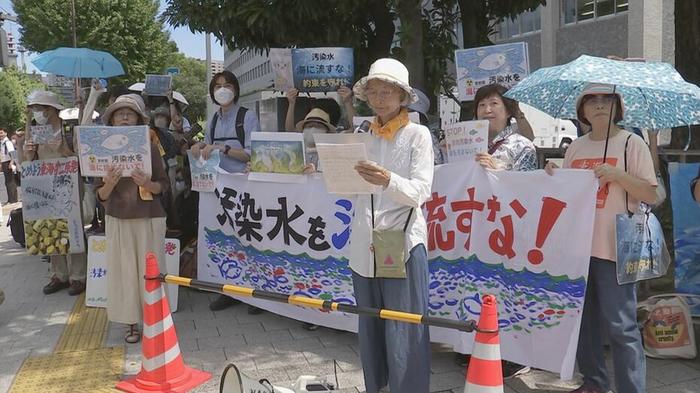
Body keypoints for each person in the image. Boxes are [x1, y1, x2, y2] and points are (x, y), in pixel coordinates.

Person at [546, 83, 656, 393]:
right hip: (578, 250)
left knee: (621, 327)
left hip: (615, 250)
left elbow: (653, 194)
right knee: (583, 324)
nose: (598, 105)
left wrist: (618, 176)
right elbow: (566, 195)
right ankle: (594, 383)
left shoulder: (631, 144)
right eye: (591, 100)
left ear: (617, 106)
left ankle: (631, 388)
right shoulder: (576, 147)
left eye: (606, 99)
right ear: (581, 111)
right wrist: (554, 175)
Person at [350, 58, 434, 393]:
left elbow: (421, 191)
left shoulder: (418, 135)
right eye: (374, 91)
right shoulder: (361, 135)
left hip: (401, 241)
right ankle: (377, 388)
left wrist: (388, 180)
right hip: (363, 244)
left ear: (402, 96)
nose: (380, 98)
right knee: (369, 325)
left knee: (403, 326)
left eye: (388, 91)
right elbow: (351, 189)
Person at [95, 94, 170, 343]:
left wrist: (148, 183)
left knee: (152, 272)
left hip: (150, 217)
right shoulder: (101, 150)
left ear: (138, 119)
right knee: (125, 273)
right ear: (112, 121)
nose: (124, 117)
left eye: (130, 113)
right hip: (118, 217)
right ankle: (130, 323)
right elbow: (101, 195)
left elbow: (164, 185)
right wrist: (109, 183)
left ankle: (155, 321)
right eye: (119, 113)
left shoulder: (149, 146)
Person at [190, 70, 263, 314]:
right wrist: (200, 146)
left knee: (249, 239)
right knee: (226, 239)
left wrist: (223, 148)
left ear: (235, 89)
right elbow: (208, 148)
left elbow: (253, 153)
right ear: (212, 91)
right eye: (217, 85)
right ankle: (230, 290)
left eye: (227, 85)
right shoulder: (213, 119)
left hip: (243, 187)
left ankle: (256, 293)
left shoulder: (247, 116)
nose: (222, 89)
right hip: (219, 188)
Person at [472, 83, 537, 172]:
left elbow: (527, 183)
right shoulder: (467, 145)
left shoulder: (523, 146)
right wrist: (447, 154)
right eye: (482, 105)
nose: (487, 110)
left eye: (494, 103)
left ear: (508, 111)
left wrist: (498, 171)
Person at [0, 128, 18, 205]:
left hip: (8, 162)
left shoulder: (8, 142)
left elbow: (13, 153)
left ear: (6, 133)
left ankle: (13, 199)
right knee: (7, 181)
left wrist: (11, 162)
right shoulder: (1, 143)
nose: (0, 135)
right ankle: (10, 199)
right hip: (4, 162)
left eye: (1, 133)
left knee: (11, 181)